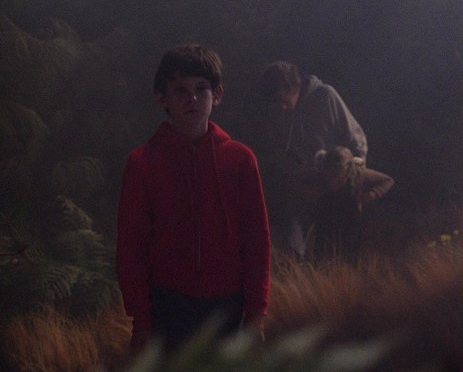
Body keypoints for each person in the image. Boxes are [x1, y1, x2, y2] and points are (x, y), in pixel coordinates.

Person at [116, 44, 271, 354]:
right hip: (167, 307)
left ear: (217, 94)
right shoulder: (142, 163)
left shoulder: (241, 160)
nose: (193, 99)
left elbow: (257, 241)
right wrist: (141, 320)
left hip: (229, 307)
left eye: (202, 89)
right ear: (162, 98)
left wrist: (256, 313)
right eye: (181, 90)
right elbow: (131, 248)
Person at [251, 60, 367, 260]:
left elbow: (356, 137)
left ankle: (339, 268)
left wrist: (355, 174)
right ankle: (297, 265)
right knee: (293, 231)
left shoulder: (325, 96)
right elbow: (279, 151)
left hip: (338, 179)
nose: (282, 108)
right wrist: (296, 176)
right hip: (305, 181)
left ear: (295, 87)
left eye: (285, 101)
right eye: (277, 103)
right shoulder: (275, 108)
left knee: (338, 242)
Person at [308, 146, 394, 258]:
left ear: (346, 172)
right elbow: (295, 178)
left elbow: (388, 180)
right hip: (326, 213)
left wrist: (372, 194)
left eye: (337, 177)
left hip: (350, 215)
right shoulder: (320, 173)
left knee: (349, 250)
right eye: (330, 176)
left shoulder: (358, 174)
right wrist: (310, 192)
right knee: (322, 248)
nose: (333, 181)